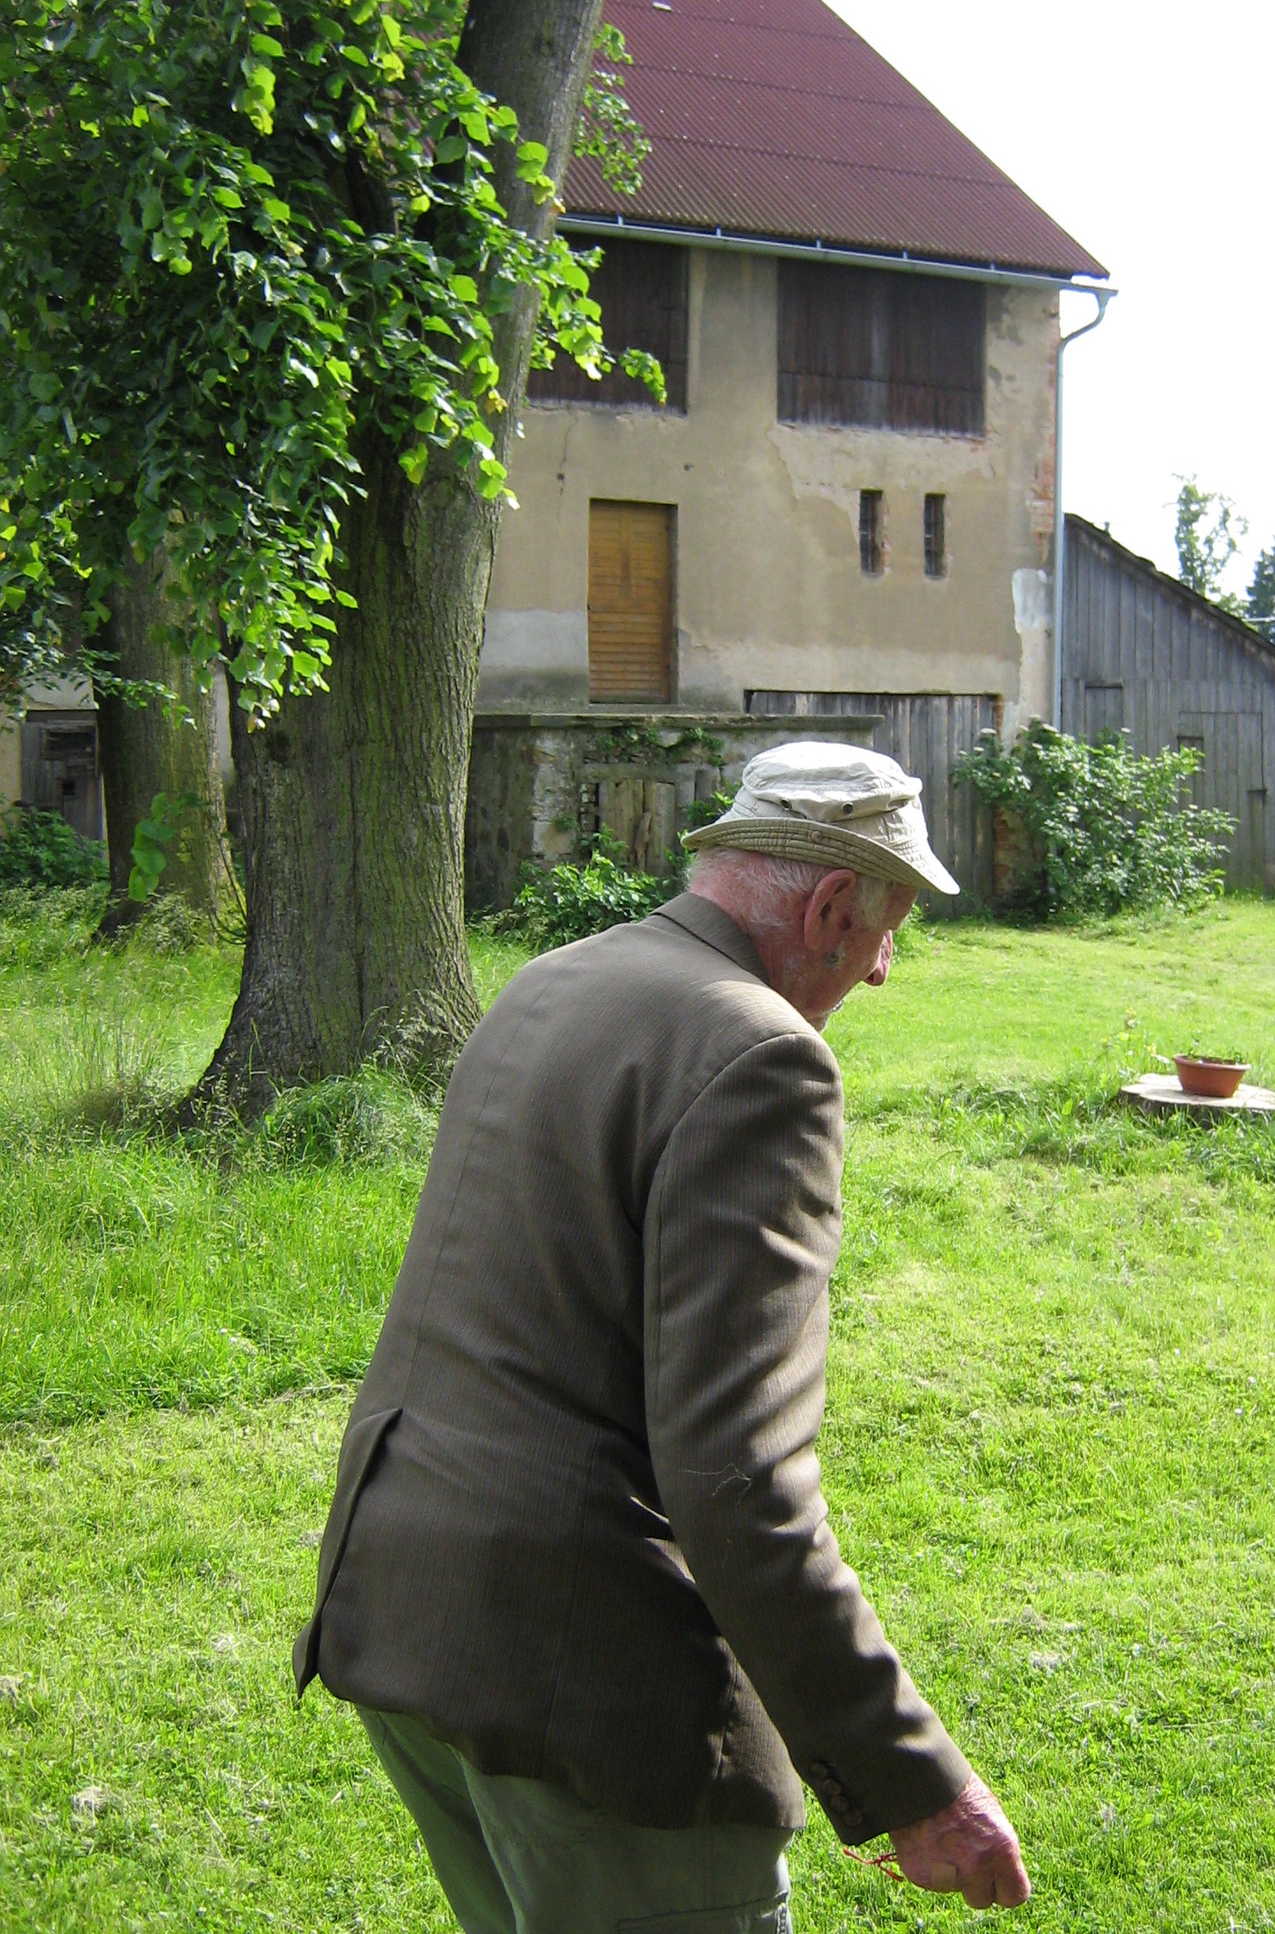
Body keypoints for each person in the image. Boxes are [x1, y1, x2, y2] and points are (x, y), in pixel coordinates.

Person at [293, 742, 1030, 1932]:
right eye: (888, 929)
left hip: (404, 1608)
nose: (886, 967)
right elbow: (741, 1483)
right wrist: (914, 1781)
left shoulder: (554, 977)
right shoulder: (762, 1057)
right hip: (584, 1692)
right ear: (832, 907)